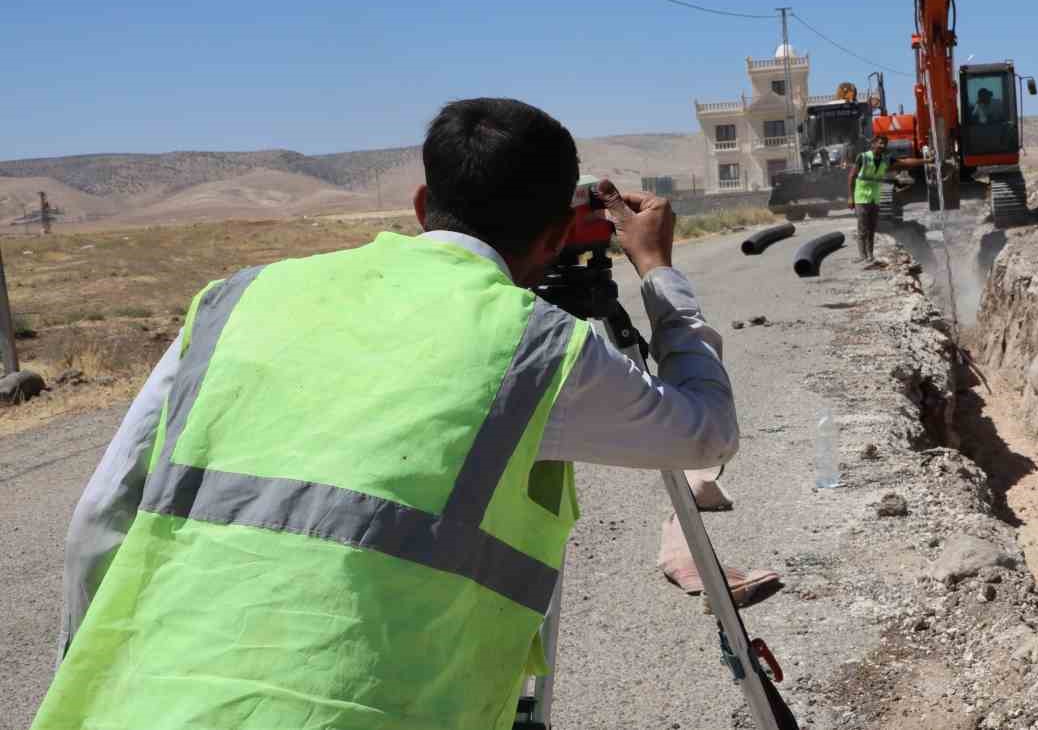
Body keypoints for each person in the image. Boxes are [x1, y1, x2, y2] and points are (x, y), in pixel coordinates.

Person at [33, 98, 743, 730]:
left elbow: (100, 516)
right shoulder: (532, 344)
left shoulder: (237, 297)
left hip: (143, 700)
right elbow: (705, 429)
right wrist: (659, 273)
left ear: (421, 204)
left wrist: (91, 676)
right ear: (560, 234)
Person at [846, 134, 922, 264]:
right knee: (862, 228)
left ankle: (870, 255)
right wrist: (850, 197)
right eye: (880, 143)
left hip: (874, 198)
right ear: (873, 144)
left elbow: (905, 163)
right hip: (861, 197)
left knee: (871, 228)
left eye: (884, 144)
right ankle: (862, 255)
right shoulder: (863, 157)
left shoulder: (885, 160)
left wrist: (926, 161)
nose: (882, 146)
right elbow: (851, 177)